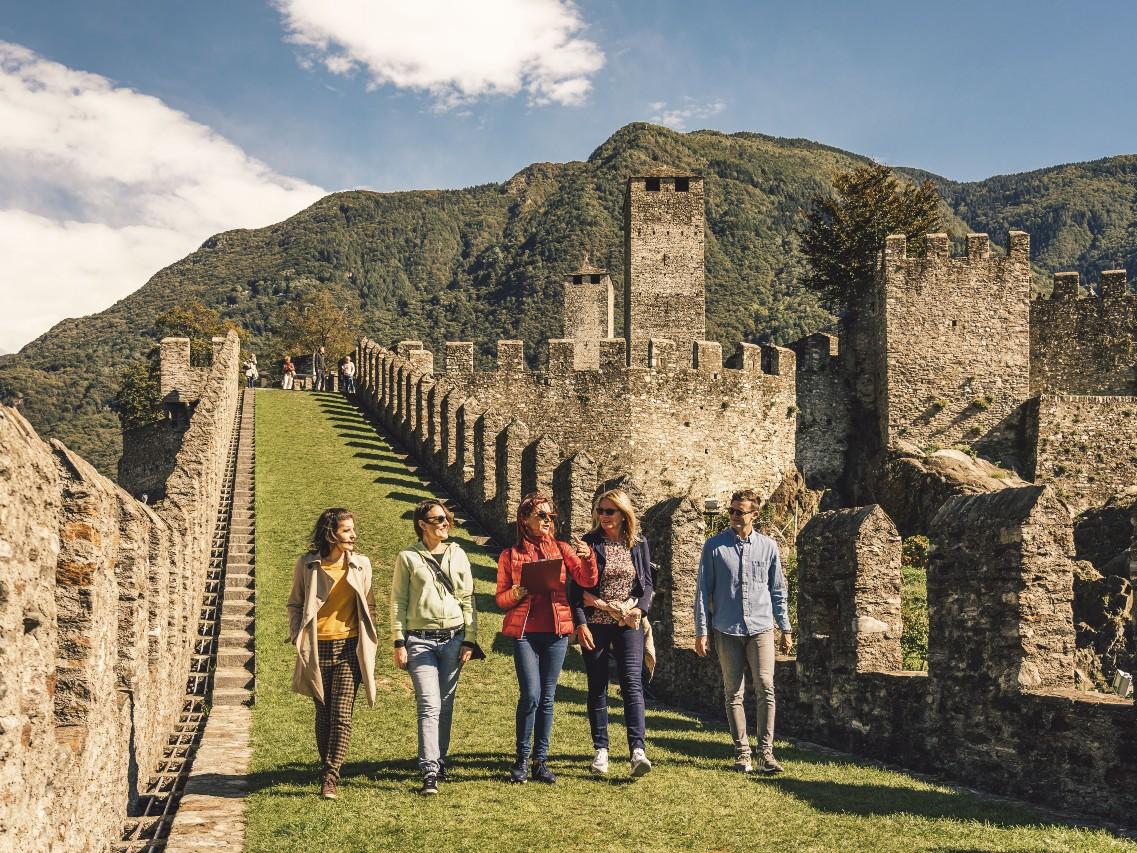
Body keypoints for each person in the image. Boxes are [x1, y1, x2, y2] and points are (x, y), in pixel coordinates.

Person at [496, 492, 597, 784]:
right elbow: (500, 599)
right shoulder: (510, 555)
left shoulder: (562, 549)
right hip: (525, 633)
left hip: (556, 633)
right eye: (541, 515)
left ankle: (540, 761)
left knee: (548, 698)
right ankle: (521, 759)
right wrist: (515, 593)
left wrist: (588, 557)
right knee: (531, 695)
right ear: (524, 519)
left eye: (550, 516)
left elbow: (587, 580)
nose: (547, 520)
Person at [694, 488, 792, 775]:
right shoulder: (714, 547)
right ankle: (742, 754)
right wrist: (701, 631)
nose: (734, 516)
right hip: (726, 628)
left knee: (766, 687)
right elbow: (703, 591)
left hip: (761, 627)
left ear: (754, 515)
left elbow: (777, 590)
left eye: (740, 511)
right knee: (733, 692)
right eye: (732, 511)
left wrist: (785, 627)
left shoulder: (768, 547)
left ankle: (766, 754)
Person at [287, 508, 378, 799]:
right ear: (331, 534)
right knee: (324, 713)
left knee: (341, 714)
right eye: (346, 530)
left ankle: (330, 776)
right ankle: (326, 764)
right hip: (317, 647)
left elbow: (369, 604)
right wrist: (296, 635)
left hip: (350, 647)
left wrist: (371, 637)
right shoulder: (307, 564)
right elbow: (295, 603)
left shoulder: (361, 565)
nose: (354, 535)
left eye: (353, 529)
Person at [391, 500, 478, 796]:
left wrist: (469, 638)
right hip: (420, 641)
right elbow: (398, 601)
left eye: (447, 518)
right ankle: (429, 769)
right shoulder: (408, 557)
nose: (445, 523)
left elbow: (468, 598)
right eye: (438, 519)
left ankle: (439, 760)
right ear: (422, 524)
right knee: (429, 704)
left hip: (453, 638)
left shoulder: (458, 553)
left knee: (446, 703)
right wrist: (399, 640)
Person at [568, 488, 654, 778]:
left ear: (623, 514)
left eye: (610, 511)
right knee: (597, 685)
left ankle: (637, 751)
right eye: (600, 511)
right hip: (596, 623)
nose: (604, 516)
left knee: (632, 683)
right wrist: (581, 623)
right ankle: (601, 750)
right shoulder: (590, 543)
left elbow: (647, 584)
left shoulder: (638, 543)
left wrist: (639, 609)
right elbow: (576, 589)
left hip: (627, 622)